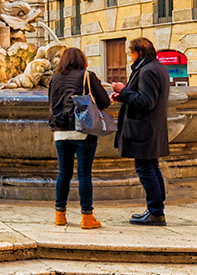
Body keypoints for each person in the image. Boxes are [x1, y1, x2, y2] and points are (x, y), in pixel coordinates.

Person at [48, 46, 110, 230]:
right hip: (83, 130)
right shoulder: (86, 76)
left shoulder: (54, 78)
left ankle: (60, 214)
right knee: (84, 174)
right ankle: (87, 216)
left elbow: (51, 102)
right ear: (82, 61)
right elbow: (104, 102)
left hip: (60, 131)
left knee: (63, 173)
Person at [114, 37, 170, 227]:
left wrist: (123, 90)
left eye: (130, 53)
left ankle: (155, 212)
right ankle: (155, 209)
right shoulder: (155, 67)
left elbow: (147, 102)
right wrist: (123, 95)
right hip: (151, 127)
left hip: (144, 129)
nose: (130, 57)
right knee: (151, 166)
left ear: (138, 52)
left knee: (145, 168)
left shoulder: (148, 70)